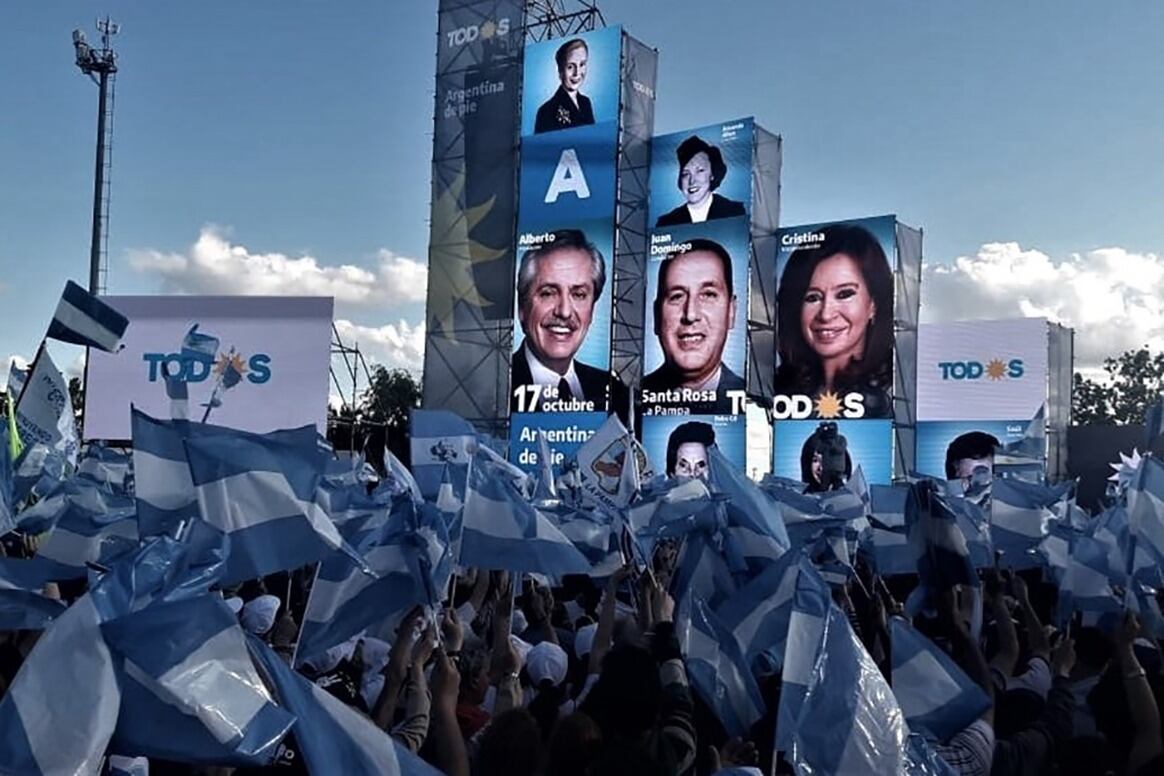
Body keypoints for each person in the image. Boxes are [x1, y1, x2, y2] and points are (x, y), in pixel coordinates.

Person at [773, 223, 894, 418]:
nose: (826, 314)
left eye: (844, 294)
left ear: (874, 303)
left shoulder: (895, 394)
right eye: (812, 297)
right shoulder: (778, 390)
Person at [640, 239, 744, 413]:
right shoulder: (627, 402)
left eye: (708, 295)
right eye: (677, 296)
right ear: (657, 316)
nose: (690, 314)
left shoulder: (755, 408)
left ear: (731, 312)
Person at [511, 229, 609, 412]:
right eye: (548, 293)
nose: (564, 312)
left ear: (592, 309)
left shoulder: (613, 391)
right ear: (522, 307)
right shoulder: (498, 385)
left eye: (579, 294)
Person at [654, 136, 747, 227]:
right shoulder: (666, 223)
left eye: (700, 171)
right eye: (686, 173)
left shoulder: (734, 212)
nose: (692, 181)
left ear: (712, 174)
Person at [534, 38, 595, 134]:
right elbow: (542, 146)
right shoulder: (546, 110)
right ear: (560, 71)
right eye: (570, 66)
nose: (577, 73)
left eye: (582, 64)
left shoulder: (585, 102)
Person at [799, 421, 852, 492]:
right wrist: (818, 434)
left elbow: (839, 449)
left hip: (838, 470)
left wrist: (831, 443)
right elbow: (818, 449)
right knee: (823, 489)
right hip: (827, 470)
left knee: (839, 489)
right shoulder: (824, 441)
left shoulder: (841, 439)